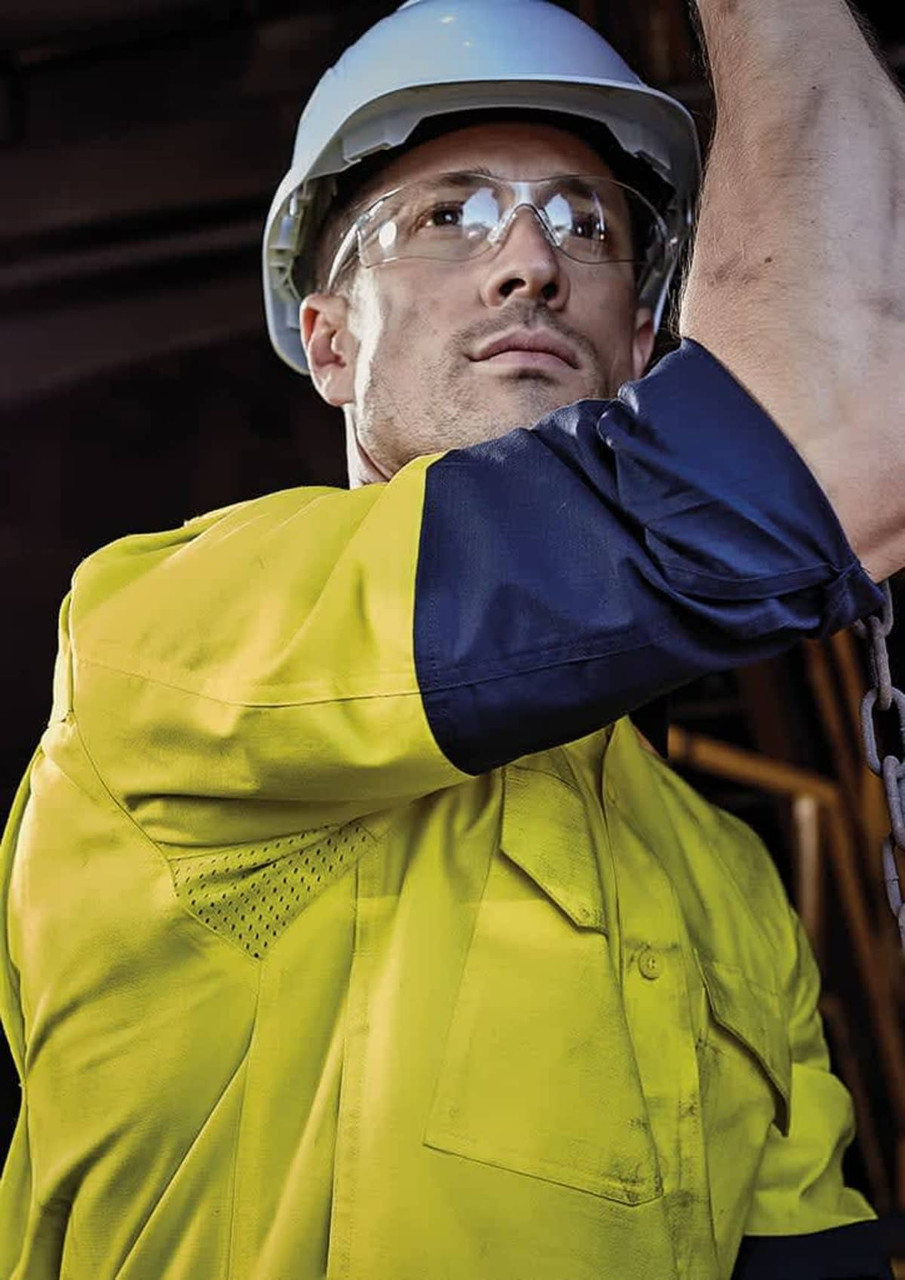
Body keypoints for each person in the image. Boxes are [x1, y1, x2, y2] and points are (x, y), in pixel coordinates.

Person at [0, 0, 902, 1276]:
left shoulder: (723, 878)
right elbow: (831, 425)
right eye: (451, 215)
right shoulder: (161, 633)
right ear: (328, 341)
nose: (529, 260)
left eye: (587, 225)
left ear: (640, 341)